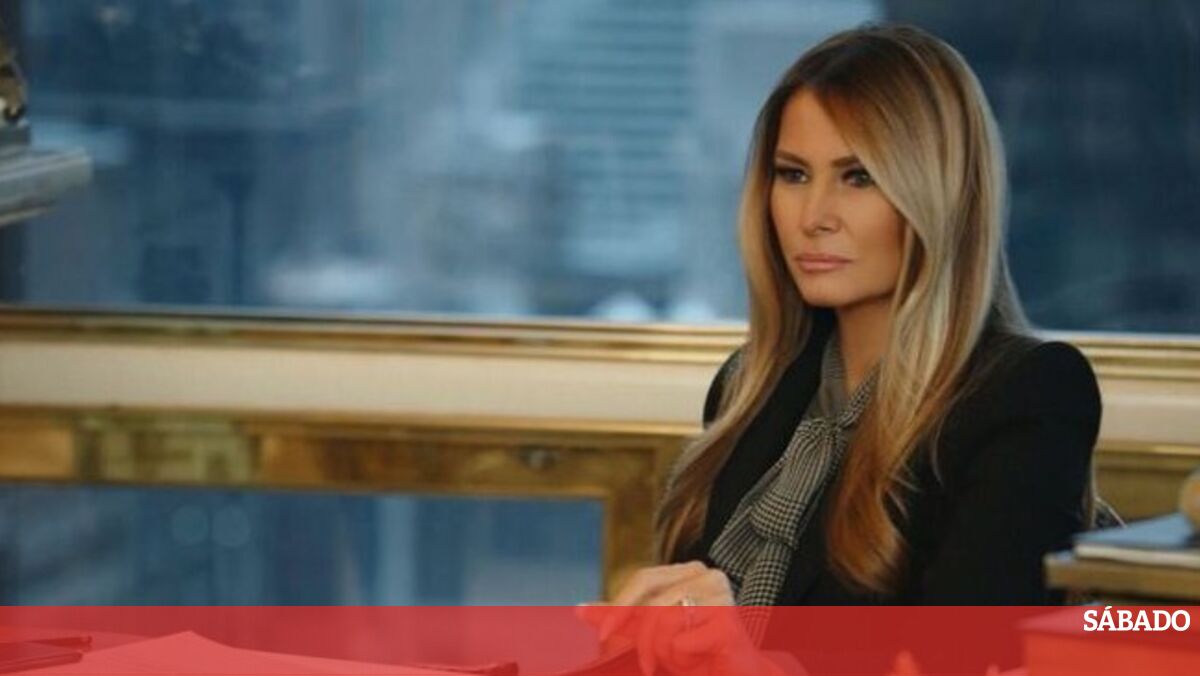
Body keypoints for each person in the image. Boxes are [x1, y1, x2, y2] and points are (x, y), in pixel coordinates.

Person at [579, 22, 1103, 676]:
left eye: (858, 177)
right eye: (792, 174)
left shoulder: (1028, 395)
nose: (813, 216)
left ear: (936, 194)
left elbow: (963, 662)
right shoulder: (749, 387)